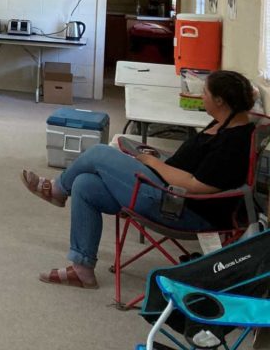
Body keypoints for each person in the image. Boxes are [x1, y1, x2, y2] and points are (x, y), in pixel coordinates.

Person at [21, 70, 257, 290]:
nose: (200, 96)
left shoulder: (233, 143)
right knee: (84, 183)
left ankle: (56, 190)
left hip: (178, 207)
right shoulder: (224, 122)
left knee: (98, 154)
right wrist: (156, 159)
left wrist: (154, 164)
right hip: (164, 188)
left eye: (205, 93)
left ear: (220, 101)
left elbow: (197, 185)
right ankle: (82, 269)